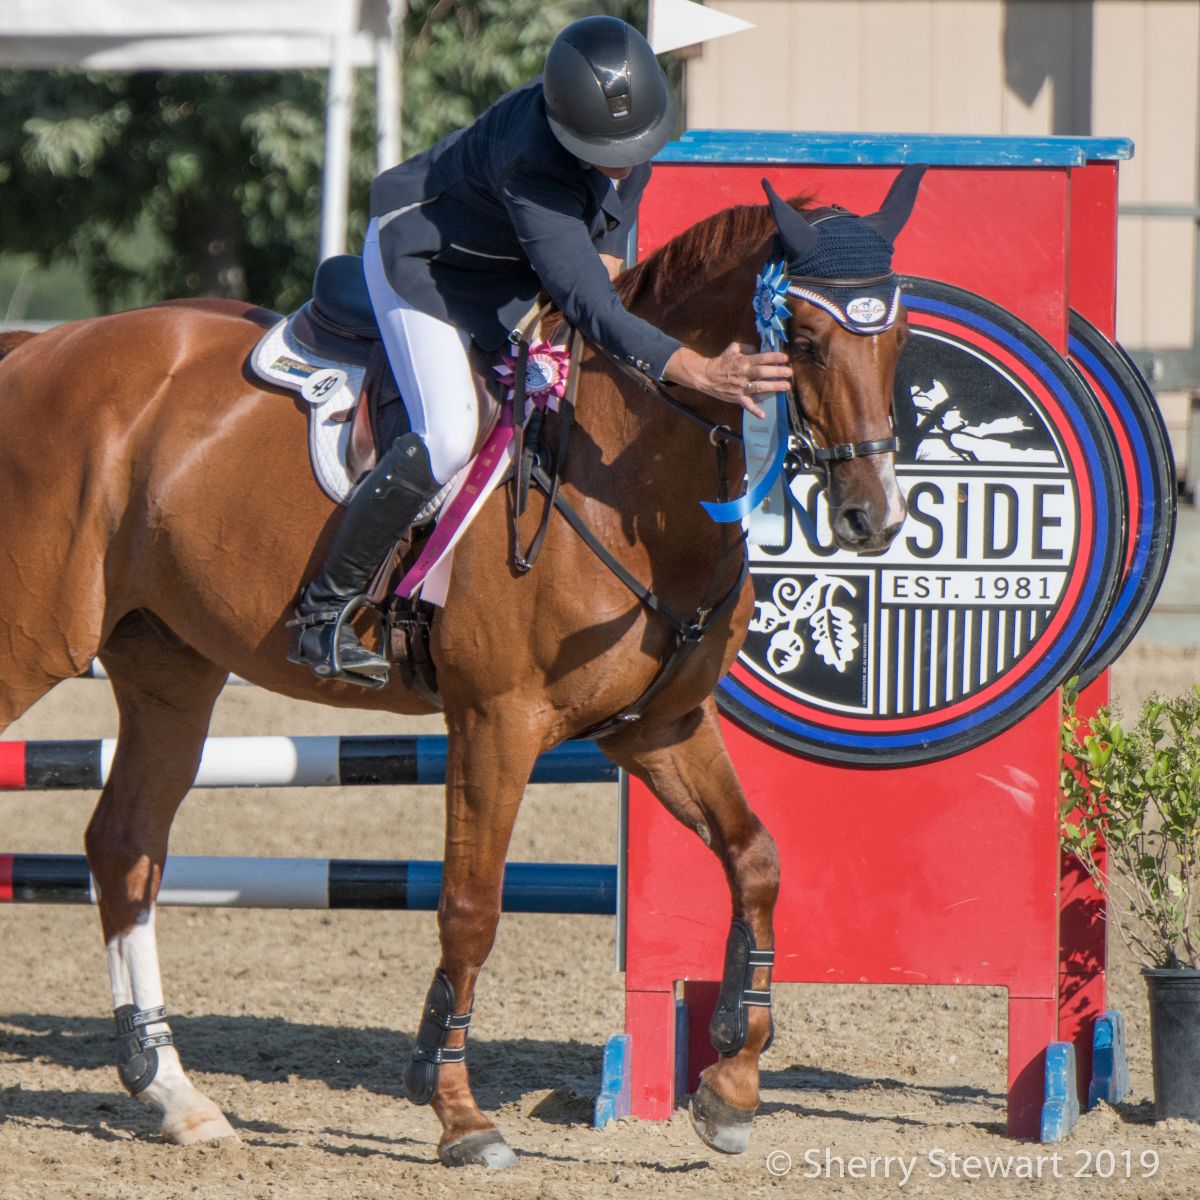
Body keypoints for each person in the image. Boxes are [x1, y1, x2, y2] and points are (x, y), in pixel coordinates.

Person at [289, 14, 791, 687]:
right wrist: (698, 370)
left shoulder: (626, 135)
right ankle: (324, 613)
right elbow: (592, 307)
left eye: (636, 143)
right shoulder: (534, 163)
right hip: (426, 265)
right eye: (609, 148)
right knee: (450, 432)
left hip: (506, 268)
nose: (627, 158)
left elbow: (605, 268)